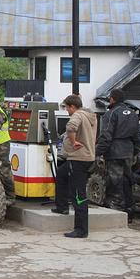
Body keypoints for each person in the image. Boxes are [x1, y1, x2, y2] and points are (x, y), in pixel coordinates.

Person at [95, 88, 140, 223]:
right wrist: (134, 151)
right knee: (127, 180)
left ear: (112, 99)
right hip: (128, 151)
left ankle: (116, 212)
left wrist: (98, 152)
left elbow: (106, 135)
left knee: (114, 182)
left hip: (114, 152)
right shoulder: (132, 113)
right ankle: (130, 211)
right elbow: (138, 136)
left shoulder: (111, 113)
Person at [61, 94, 97, 238]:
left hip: (78, 158)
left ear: (72, 107)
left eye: (67, 108)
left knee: (78, 195)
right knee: (76, 189)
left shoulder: (77, 115)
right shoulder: (90, 116)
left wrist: (73, 141)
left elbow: (71, 127)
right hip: (88, 157)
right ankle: (63, 208)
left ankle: (81, 229)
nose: (67, 111)